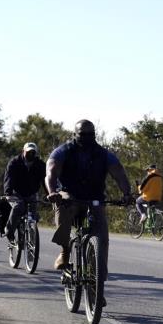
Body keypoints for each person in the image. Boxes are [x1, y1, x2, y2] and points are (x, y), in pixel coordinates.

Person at [46, 120, 132, 288]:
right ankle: (65, 250)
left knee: (102, 238)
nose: (87, 138)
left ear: (95, 135)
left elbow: (119, 173)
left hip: (95, 198)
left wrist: (127, 193)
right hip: (69, 194)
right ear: (75, 135)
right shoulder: (64, 151)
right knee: (64, 206)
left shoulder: (103, 154)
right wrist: (52, 192)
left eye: (90, 134)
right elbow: (51, 171)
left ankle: (96, 285)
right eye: (82, 134)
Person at [1, 143, 46, 242]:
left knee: (33, 217)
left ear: (36, 153)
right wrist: (8, 194)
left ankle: (31, 246)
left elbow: (45, 180)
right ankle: (9, 231)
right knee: (18, 207)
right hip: (16, 193)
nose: (31, 154)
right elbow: (9, 178)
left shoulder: (40, 164)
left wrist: (50, 194)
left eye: (33, 152)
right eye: (28, 152)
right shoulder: (14, 162)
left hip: (31, 193)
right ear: (23, 151)